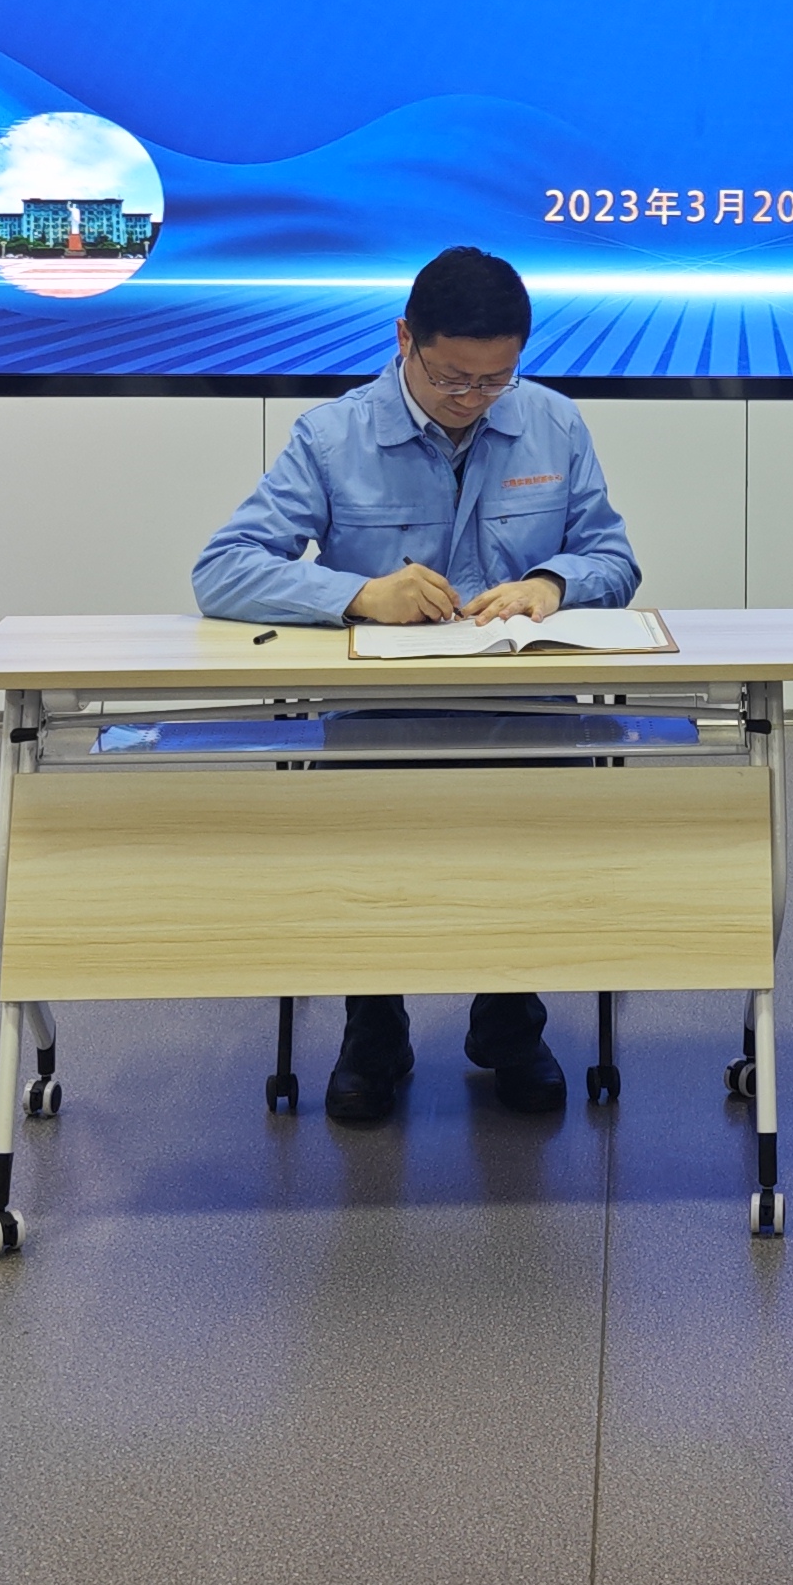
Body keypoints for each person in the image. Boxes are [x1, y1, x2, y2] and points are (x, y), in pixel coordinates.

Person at [193, 245, 641, 1126]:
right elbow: (224, 568)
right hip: (381, 717)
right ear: (404, 339)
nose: (474, 398)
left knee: (533, 835)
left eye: (496, 380)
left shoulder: (553, 423)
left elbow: (613, 558)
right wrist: (358, 594)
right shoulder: (333, 437)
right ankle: (374, 1030)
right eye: (453, 378)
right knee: (372, 844)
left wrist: (553, 584)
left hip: (523, 713)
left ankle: (510, 1024)